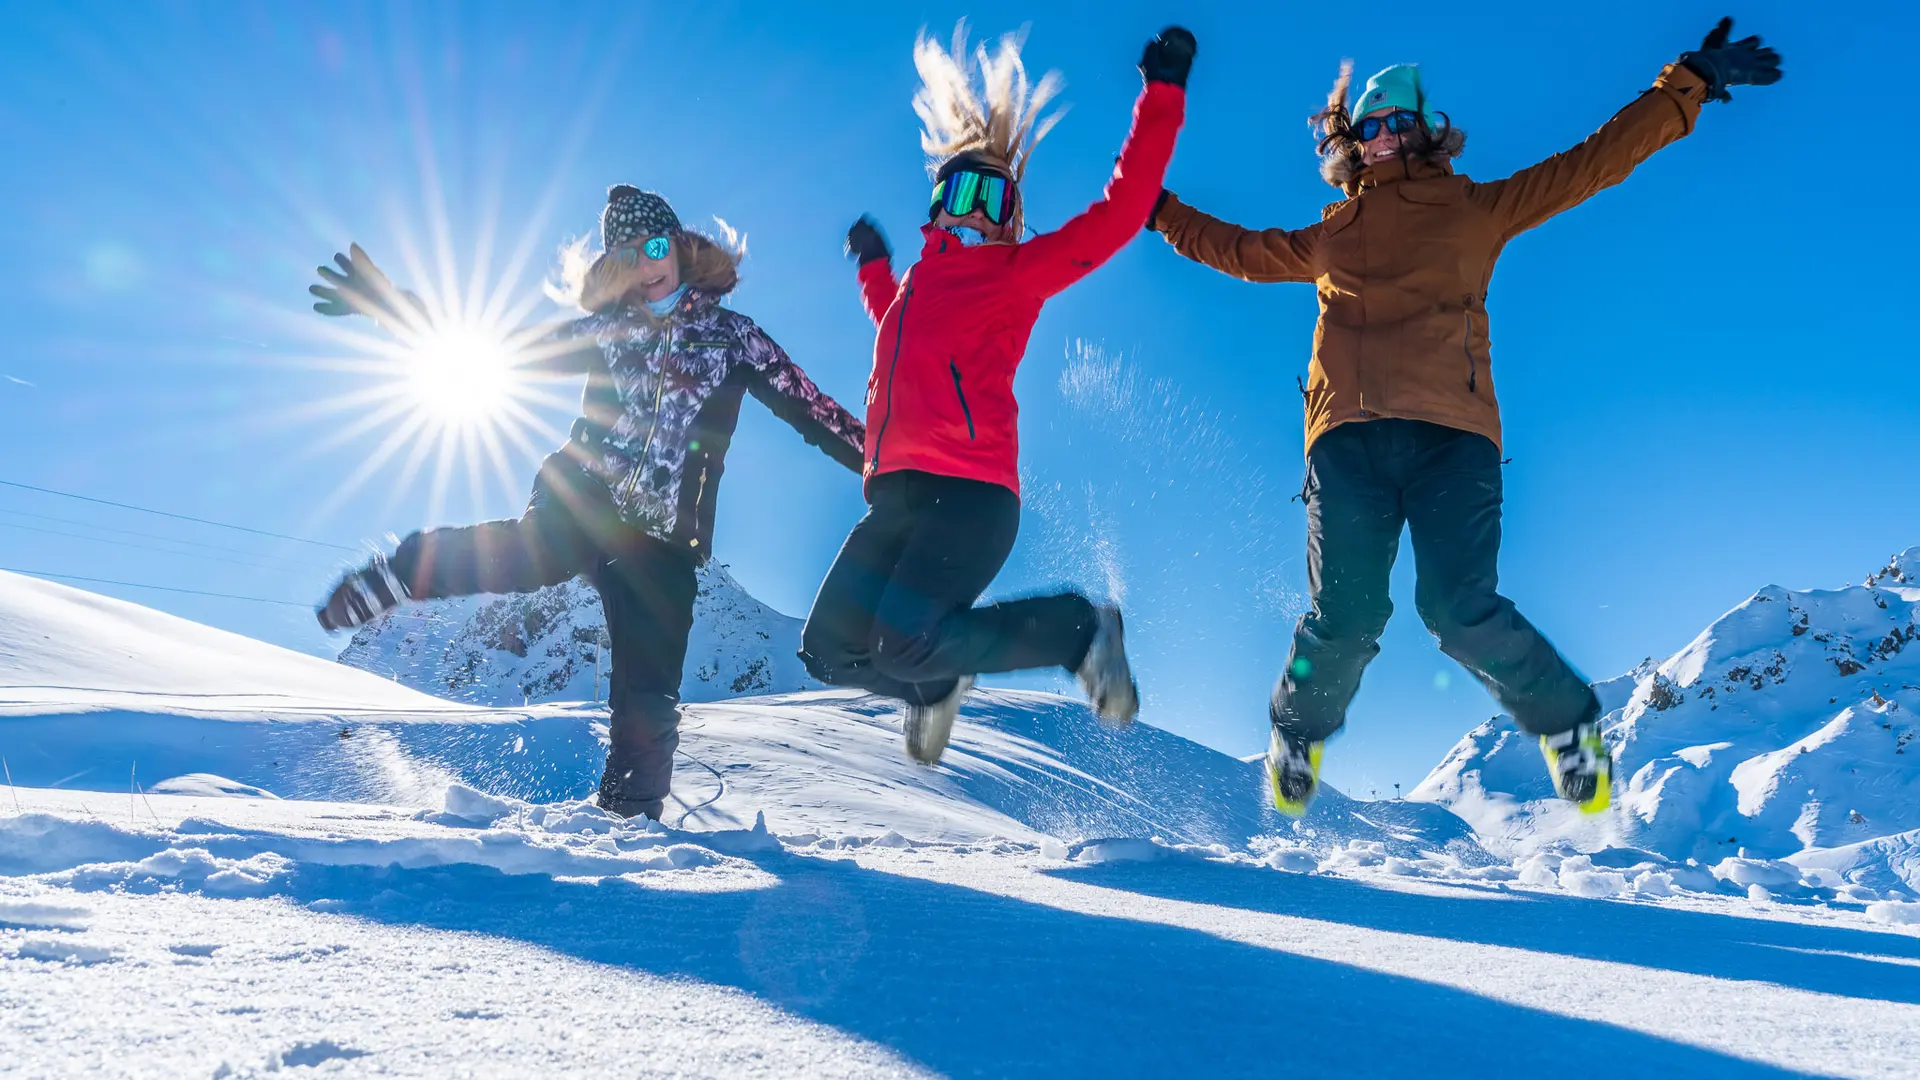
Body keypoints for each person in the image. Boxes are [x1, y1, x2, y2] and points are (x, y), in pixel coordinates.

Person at [1150, 19, 1781, 815]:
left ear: (1426, 132)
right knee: (1345, 616)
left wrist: (1686, 81)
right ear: (1351, 140)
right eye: (1369, 127)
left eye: (1399, 123)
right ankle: (1297, 733)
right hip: (1346, 442)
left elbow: (1591, 164)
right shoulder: (1330, 234)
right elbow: (1237, 249)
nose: (1383, 137)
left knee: (1456, 610)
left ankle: (1567, 728)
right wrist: (1161, 210)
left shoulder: (1476, 210)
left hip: (1454, 439)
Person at [308, 186, 866, 819]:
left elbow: (814, 410)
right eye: (626, 257)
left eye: (655, 247)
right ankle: (400, 575)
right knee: (527, 557)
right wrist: (393, 308)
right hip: (584, 497)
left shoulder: (733, 340)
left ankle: (627, 823)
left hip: (664, 540)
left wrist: (884, 459)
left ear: (680, 249)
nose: (646, 265)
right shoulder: (609, 329)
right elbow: (502, 350)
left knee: (648, 693)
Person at [799, 24, 1197, 765]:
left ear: (1010, 214)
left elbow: (1116, 215)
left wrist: (1161, 97)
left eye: (992, 194)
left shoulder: (1015, 274)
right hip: (896, 498)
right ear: (938, 204)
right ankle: (933, 691)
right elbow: (892, 319)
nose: (972, 206)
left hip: (971, 494)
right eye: (958, 188)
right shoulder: (915, 287)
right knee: (829, 650)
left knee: (903, 638)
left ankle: (1080, 632)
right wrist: (874, 267)